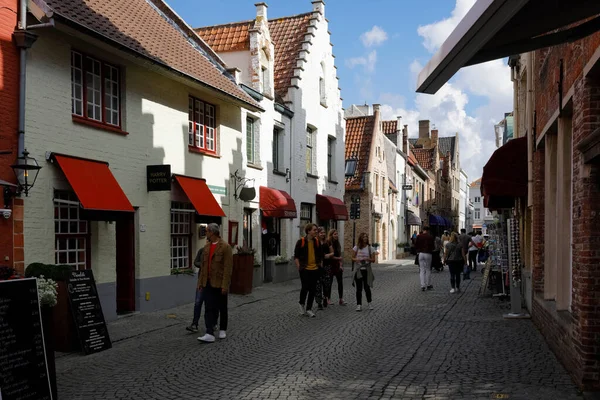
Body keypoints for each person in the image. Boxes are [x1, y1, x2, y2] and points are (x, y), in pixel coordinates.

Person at [197, 223, 233, 343]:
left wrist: (225, 285)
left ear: (212, 232)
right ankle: (209, 332)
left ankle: (223, 328)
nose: (205, 233)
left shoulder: (225, 247)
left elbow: (228, 268)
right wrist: (200, 282)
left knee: (222, 307)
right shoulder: (206, 247)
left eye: (207, 231)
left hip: (219, 282)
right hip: (207, 282)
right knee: (208, 307)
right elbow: (203, 266)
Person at [294, 223, 322, 318]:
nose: (316, 231)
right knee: (305, 288)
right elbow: (296, 256)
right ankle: (301, 304)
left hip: (315, 269)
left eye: (316, 230)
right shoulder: (301, 241)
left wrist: (319, 265)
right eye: (314, 230)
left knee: (312, 289)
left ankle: (309, 309)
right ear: (308, 231)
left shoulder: (316, 242)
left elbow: (320, 255)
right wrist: (299, 267)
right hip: (305, 269)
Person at [352, 232, 376, 311]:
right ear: (361, 238)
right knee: (359, 289)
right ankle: (359, 305)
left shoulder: (370, 248)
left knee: (367, 287)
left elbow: (373, 260)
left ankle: (369, 303)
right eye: (363, 237)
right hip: (359, 269)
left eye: (366, 237)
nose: (365, 238)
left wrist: (367, 259)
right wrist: (357, 259)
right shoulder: (356, 247)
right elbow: (352, 258)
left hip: (367, 270)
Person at [186, 247, 205, 333]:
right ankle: (194, 324)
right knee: (197, 302)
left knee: (211, 304)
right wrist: (202, 265)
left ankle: (213, 323)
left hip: (212, 281)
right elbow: (196, 262)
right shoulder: (202, 250)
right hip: (201, 280)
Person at [315, 227, 334, 310]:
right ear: (318, 233)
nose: (323, 234)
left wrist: (328, 255)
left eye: (324, 232)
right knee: (318, 285)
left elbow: (332, 252)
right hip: (318, 266)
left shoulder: (328, 242)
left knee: (326, 284)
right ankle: (319, 302)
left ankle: (325, 297)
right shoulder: (315, 242)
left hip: (327, 266)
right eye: (321, 233)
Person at [327, 229, 346, 305]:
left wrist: (341, 265)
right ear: (331, 235)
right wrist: (338, 259)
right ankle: (328, 299)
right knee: (329, 283)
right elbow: (330, 256)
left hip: (337, 265)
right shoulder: (328, 243)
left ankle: (341, 299)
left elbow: (339, 255)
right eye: (335, 234)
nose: (336, 235)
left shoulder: (338, 244)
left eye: (337, 234)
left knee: (340, 282)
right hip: (330, 265)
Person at [415, 226, 435, 291]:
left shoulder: (419, 236)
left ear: (423, 230)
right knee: (428, 269)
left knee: (422, 270)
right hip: (428, 253)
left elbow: (416, 245)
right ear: (428, 230)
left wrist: (418, 251)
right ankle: (428, 284)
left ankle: (422, 285)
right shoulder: (430, 237)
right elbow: (433, 246)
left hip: (420, 254)